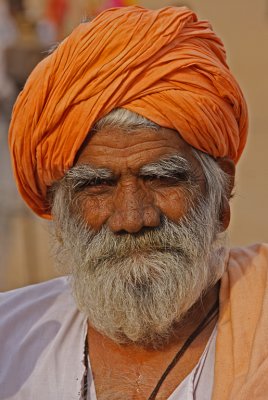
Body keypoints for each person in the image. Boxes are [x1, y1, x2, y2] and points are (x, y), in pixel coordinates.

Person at [1, 6, 268, 400]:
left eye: (160, 178)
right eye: (97, 186)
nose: (132, 217)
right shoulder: (10, 342)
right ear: (60, 211)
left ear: (221, 193)